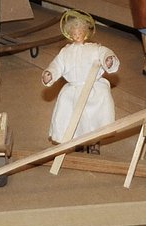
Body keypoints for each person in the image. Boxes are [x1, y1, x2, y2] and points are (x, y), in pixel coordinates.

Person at [42, 10, 120, 141]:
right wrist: (50, 73)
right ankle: (74, 139)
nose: (77, 35)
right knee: (68, 112)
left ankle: (95, 140)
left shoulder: (94, 48)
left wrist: (108, 59)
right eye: (74, 33)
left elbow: (104, 52)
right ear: (70, 34)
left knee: (97, 112)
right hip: (73, 89)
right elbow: (57, 64)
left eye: (80, 32)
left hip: (93, 88)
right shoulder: (65, 52)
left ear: (85, 33)